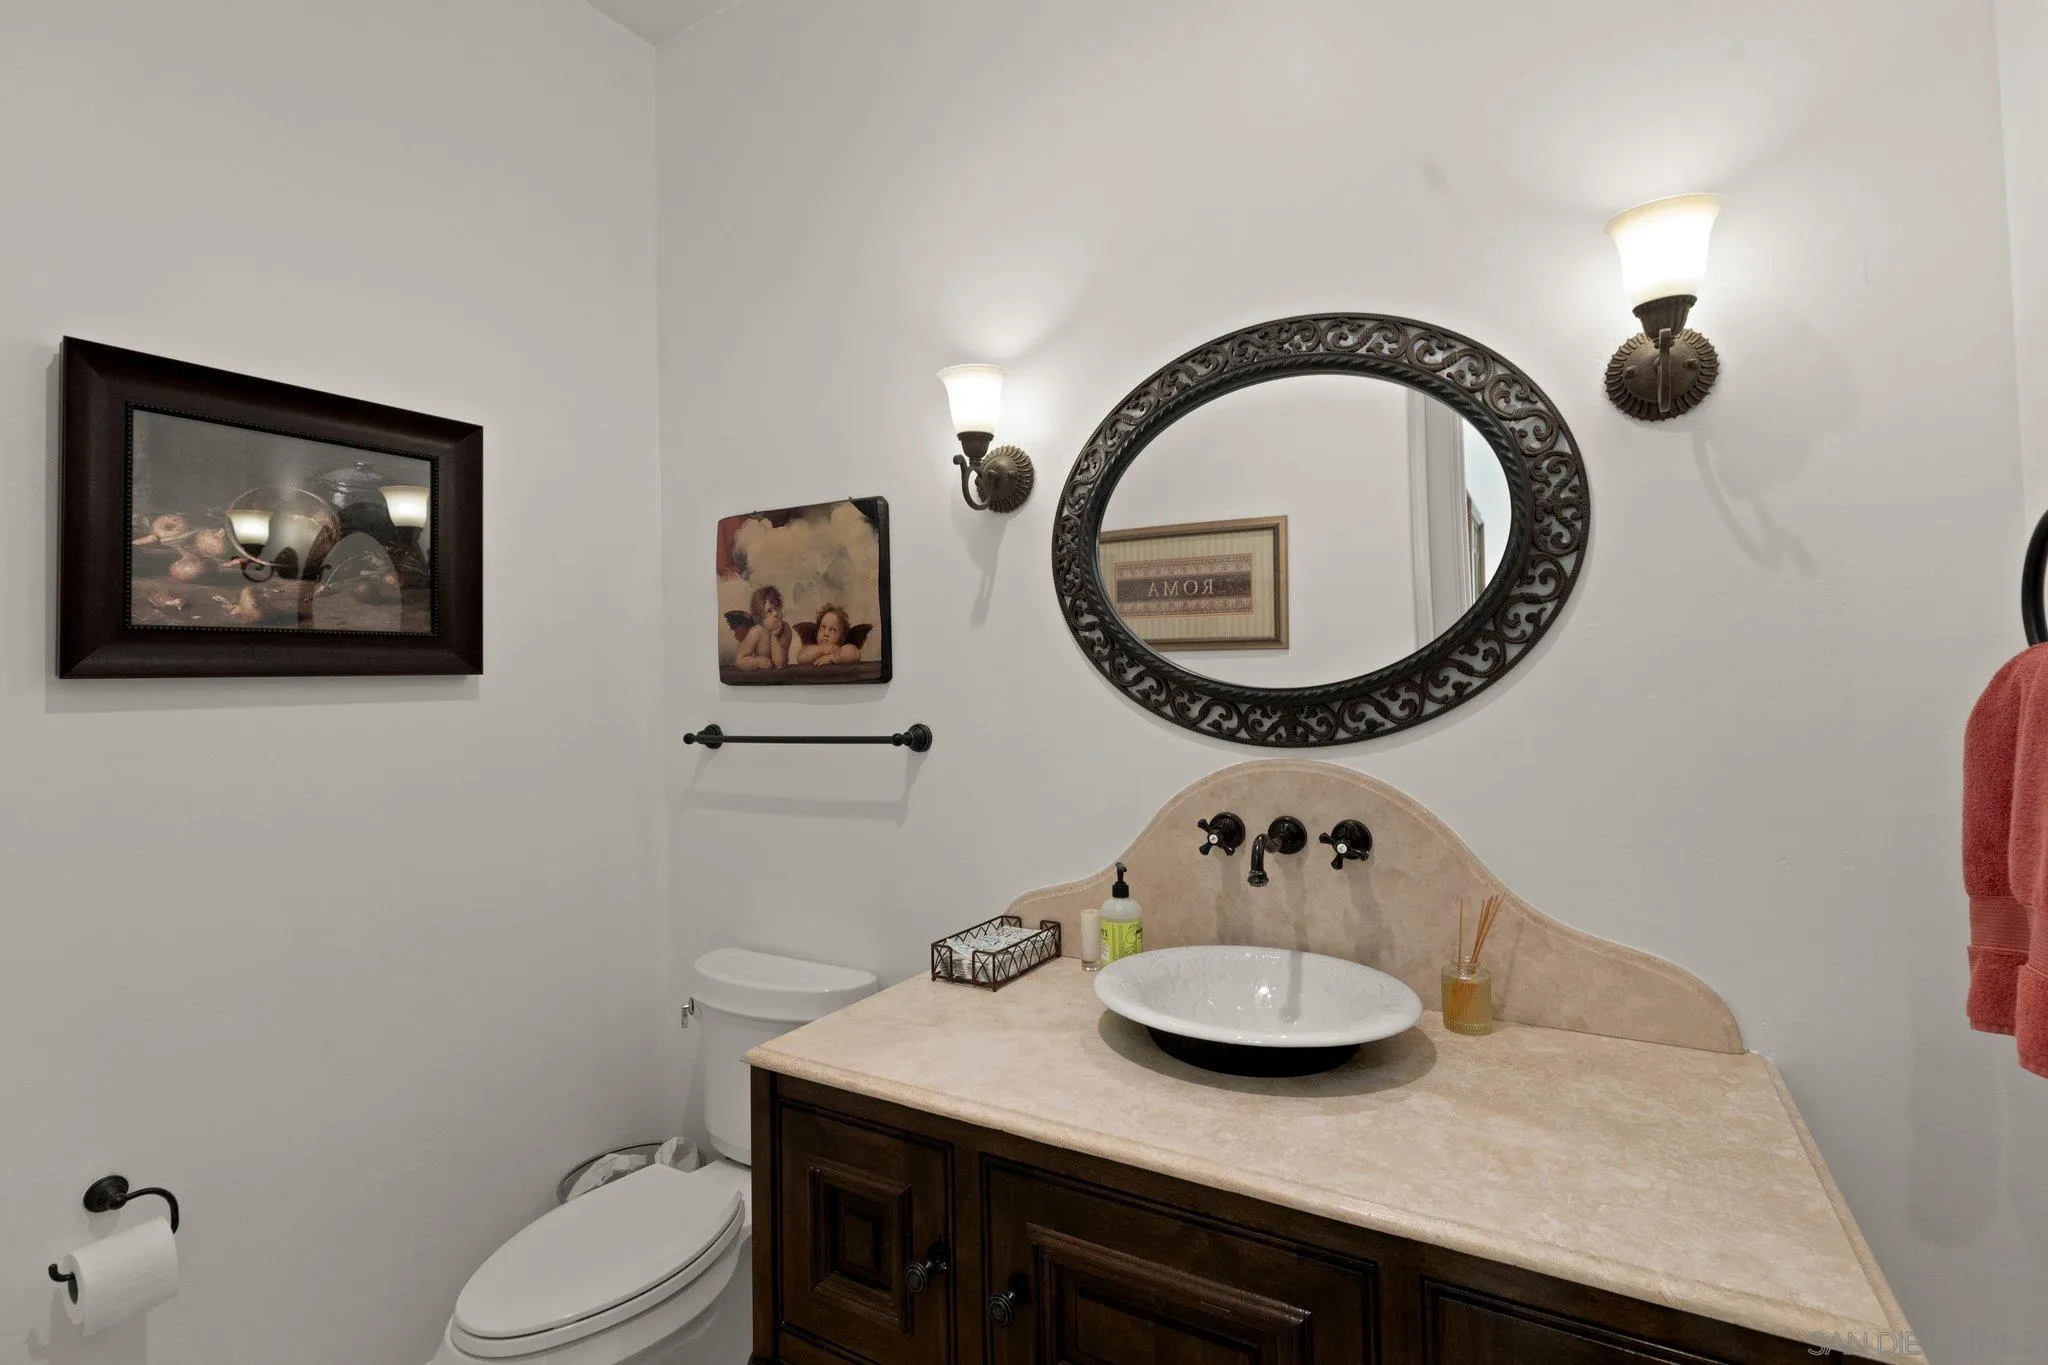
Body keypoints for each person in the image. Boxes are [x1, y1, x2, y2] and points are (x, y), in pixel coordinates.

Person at [733, 585, 792, 670]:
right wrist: (757, 662)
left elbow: (780, 664)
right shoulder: (756, 632)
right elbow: (739, 661)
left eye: (777, 607)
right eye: (769, 611)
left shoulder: (785, 628)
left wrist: (774, 636)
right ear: (760, 617)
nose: (775, 613)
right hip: (760, 677)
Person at [798, 603, 864, 666]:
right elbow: (801, 657)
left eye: (832, 630)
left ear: (842, 638)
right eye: (823, 627)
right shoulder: (813, 649)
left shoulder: (842, 650)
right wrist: (823, 649)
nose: (825, 633)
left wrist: (832, 658)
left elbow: (856, 654)